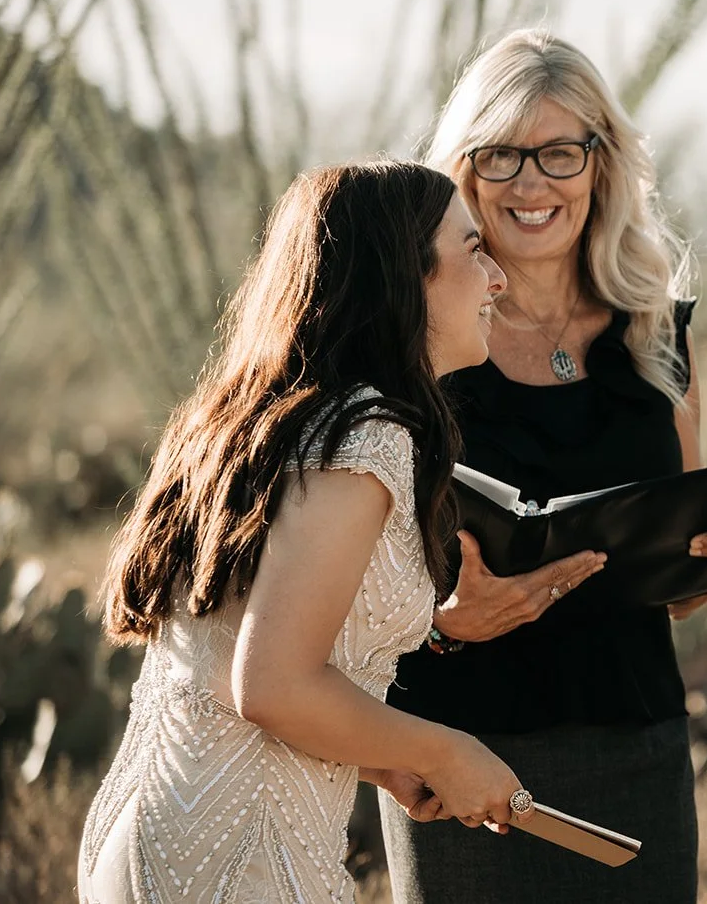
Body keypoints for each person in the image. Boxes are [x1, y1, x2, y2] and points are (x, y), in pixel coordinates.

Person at [379, 29, 707, 904]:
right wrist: (443, 622)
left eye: (558, 152)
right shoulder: (415, 339)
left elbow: (683, 593)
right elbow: (346, 577)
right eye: (501, 155)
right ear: (462, 170)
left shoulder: (657, 333)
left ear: (601, 163)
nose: (529, 183)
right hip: (459, 752)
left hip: (637, 743)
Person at [76, 161, 530, 904]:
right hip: (236, 857)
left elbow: (236, 662)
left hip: (158, 837)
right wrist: (446, 748)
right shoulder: (370, 435)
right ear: (403, 276)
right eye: (473, 248)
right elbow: (274, 682)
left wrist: (385, 762)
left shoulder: (260, 420)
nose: (498, 278)